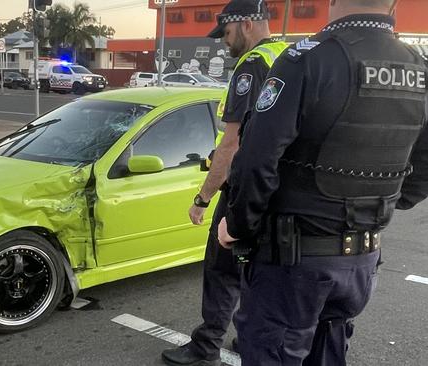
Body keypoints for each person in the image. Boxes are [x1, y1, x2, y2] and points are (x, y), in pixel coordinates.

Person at [218, 0, 428, 364]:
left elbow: (256, 157)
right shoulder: (420, 70)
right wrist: (388, 199)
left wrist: (239, 225)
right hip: (361, 262)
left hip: (294, 264)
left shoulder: (306, 59)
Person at [161, 1, 288, 365]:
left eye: (227, 33)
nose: (223, 42)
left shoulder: (250, 65)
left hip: (246, 189)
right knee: (260, 272)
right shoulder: (289, 54)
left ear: (247, 24)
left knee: (222, 269)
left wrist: (202, 199)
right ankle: (248, 339)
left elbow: (231, 146)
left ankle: (205, 348)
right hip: (281, 189)